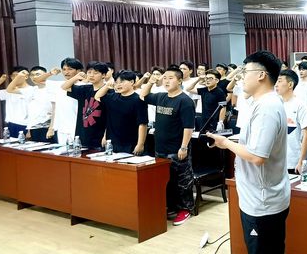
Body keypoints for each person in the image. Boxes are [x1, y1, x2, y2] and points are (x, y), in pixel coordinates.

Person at [207, 51, 289, 254]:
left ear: (261, 75)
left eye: (245, 71)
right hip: (259, 197)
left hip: (262, 202)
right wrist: (229, 142)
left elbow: (257, 156)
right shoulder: (262, 103)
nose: (241, 77)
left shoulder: (267, 107)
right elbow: (255, 145)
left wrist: (226, 142)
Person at [140, 66, 195, 226]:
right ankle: (171, 207)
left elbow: (188, 127)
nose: (166, 81)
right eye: (164, 78)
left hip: (177, 149)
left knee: (182, 181)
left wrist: (184, 147)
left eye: (170, 78)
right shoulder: (161, 96)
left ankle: (185, 209)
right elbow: (143, 95)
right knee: (166, 181)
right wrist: (151, 82)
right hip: (160, 148)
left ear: (179, 80)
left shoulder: (185, 101)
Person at [95, 70, 148, 155]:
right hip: (111, 142)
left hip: (130, 143)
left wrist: (140, 144)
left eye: (122, 82)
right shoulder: (113, 97)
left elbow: (142, 124)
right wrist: (107, 86)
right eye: (116, 82)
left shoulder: (138, 100)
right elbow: (97, 96)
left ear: (132, 82)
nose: (118, 85)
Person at [62, 61, 111, 150]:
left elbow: (111, 117)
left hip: (100, 136)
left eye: (95, 73)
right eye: (89, 72)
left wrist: (106, 135)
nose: (91, 75)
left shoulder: (108, 91)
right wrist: (76, 77)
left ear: (103, 75)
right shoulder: (85, 89)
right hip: (83, 134)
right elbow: (64, 87)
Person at [275, 69, 307, 173]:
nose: (276, 84)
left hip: (293, 160)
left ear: (290, 84)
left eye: (280, 81)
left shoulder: (300, 105)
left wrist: (301, 161)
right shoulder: (275, 103)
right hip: (275, 161)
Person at [0, 67, 33, 138]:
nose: (15, 78)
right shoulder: (8, 91)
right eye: (13, 76)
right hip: (11, 124)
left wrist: (29, 129)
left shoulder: (32, 90)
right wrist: (0, 81)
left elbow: (34, 111)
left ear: (26, 76)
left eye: (17, 75)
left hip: (25, 125)